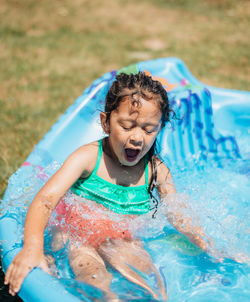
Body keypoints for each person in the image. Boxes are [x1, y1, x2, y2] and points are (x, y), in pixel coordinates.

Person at [4, 72, 212, 301]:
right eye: (127, 125)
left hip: (123, 239)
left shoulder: (156, 171)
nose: (137, 137)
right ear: (106, 122)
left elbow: (177, 213)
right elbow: (45, 200)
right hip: (79, 237)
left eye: (148, 129)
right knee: (93, 276)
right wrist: (32, 247)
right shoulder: (88, 158)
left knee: (151, 284)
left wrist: (205, 242)